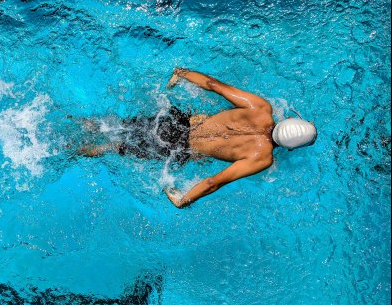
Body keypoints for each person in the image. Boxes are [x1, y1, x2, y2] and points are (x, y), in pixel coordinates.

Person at [79, 67, 317, 208]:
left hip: (176, 122)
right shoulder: (262, 158)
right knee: (114, 146)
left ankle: (77, 121)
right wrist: (184, 200)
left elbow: (213, 85)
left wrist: (182, 73)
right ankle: (71, 151)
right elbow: (214, 182)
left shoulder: (261, 108)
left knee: (113, 126)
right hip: (178, 148)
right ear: (290, 148)